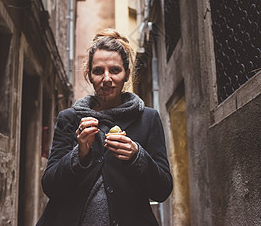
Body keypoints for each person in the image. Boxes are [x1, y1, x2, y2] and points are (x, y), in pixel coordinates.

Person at [36, 29, 173, 226]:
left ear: (126, 74)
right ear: (89, 75)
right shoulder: (70, 118)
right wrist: (79, 154)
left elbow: (162, 190)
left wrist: (137, 156)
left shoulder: (147, 119)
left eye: (115, 70)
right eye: (98, 71)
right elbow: (50, 186)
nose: (106, 78)